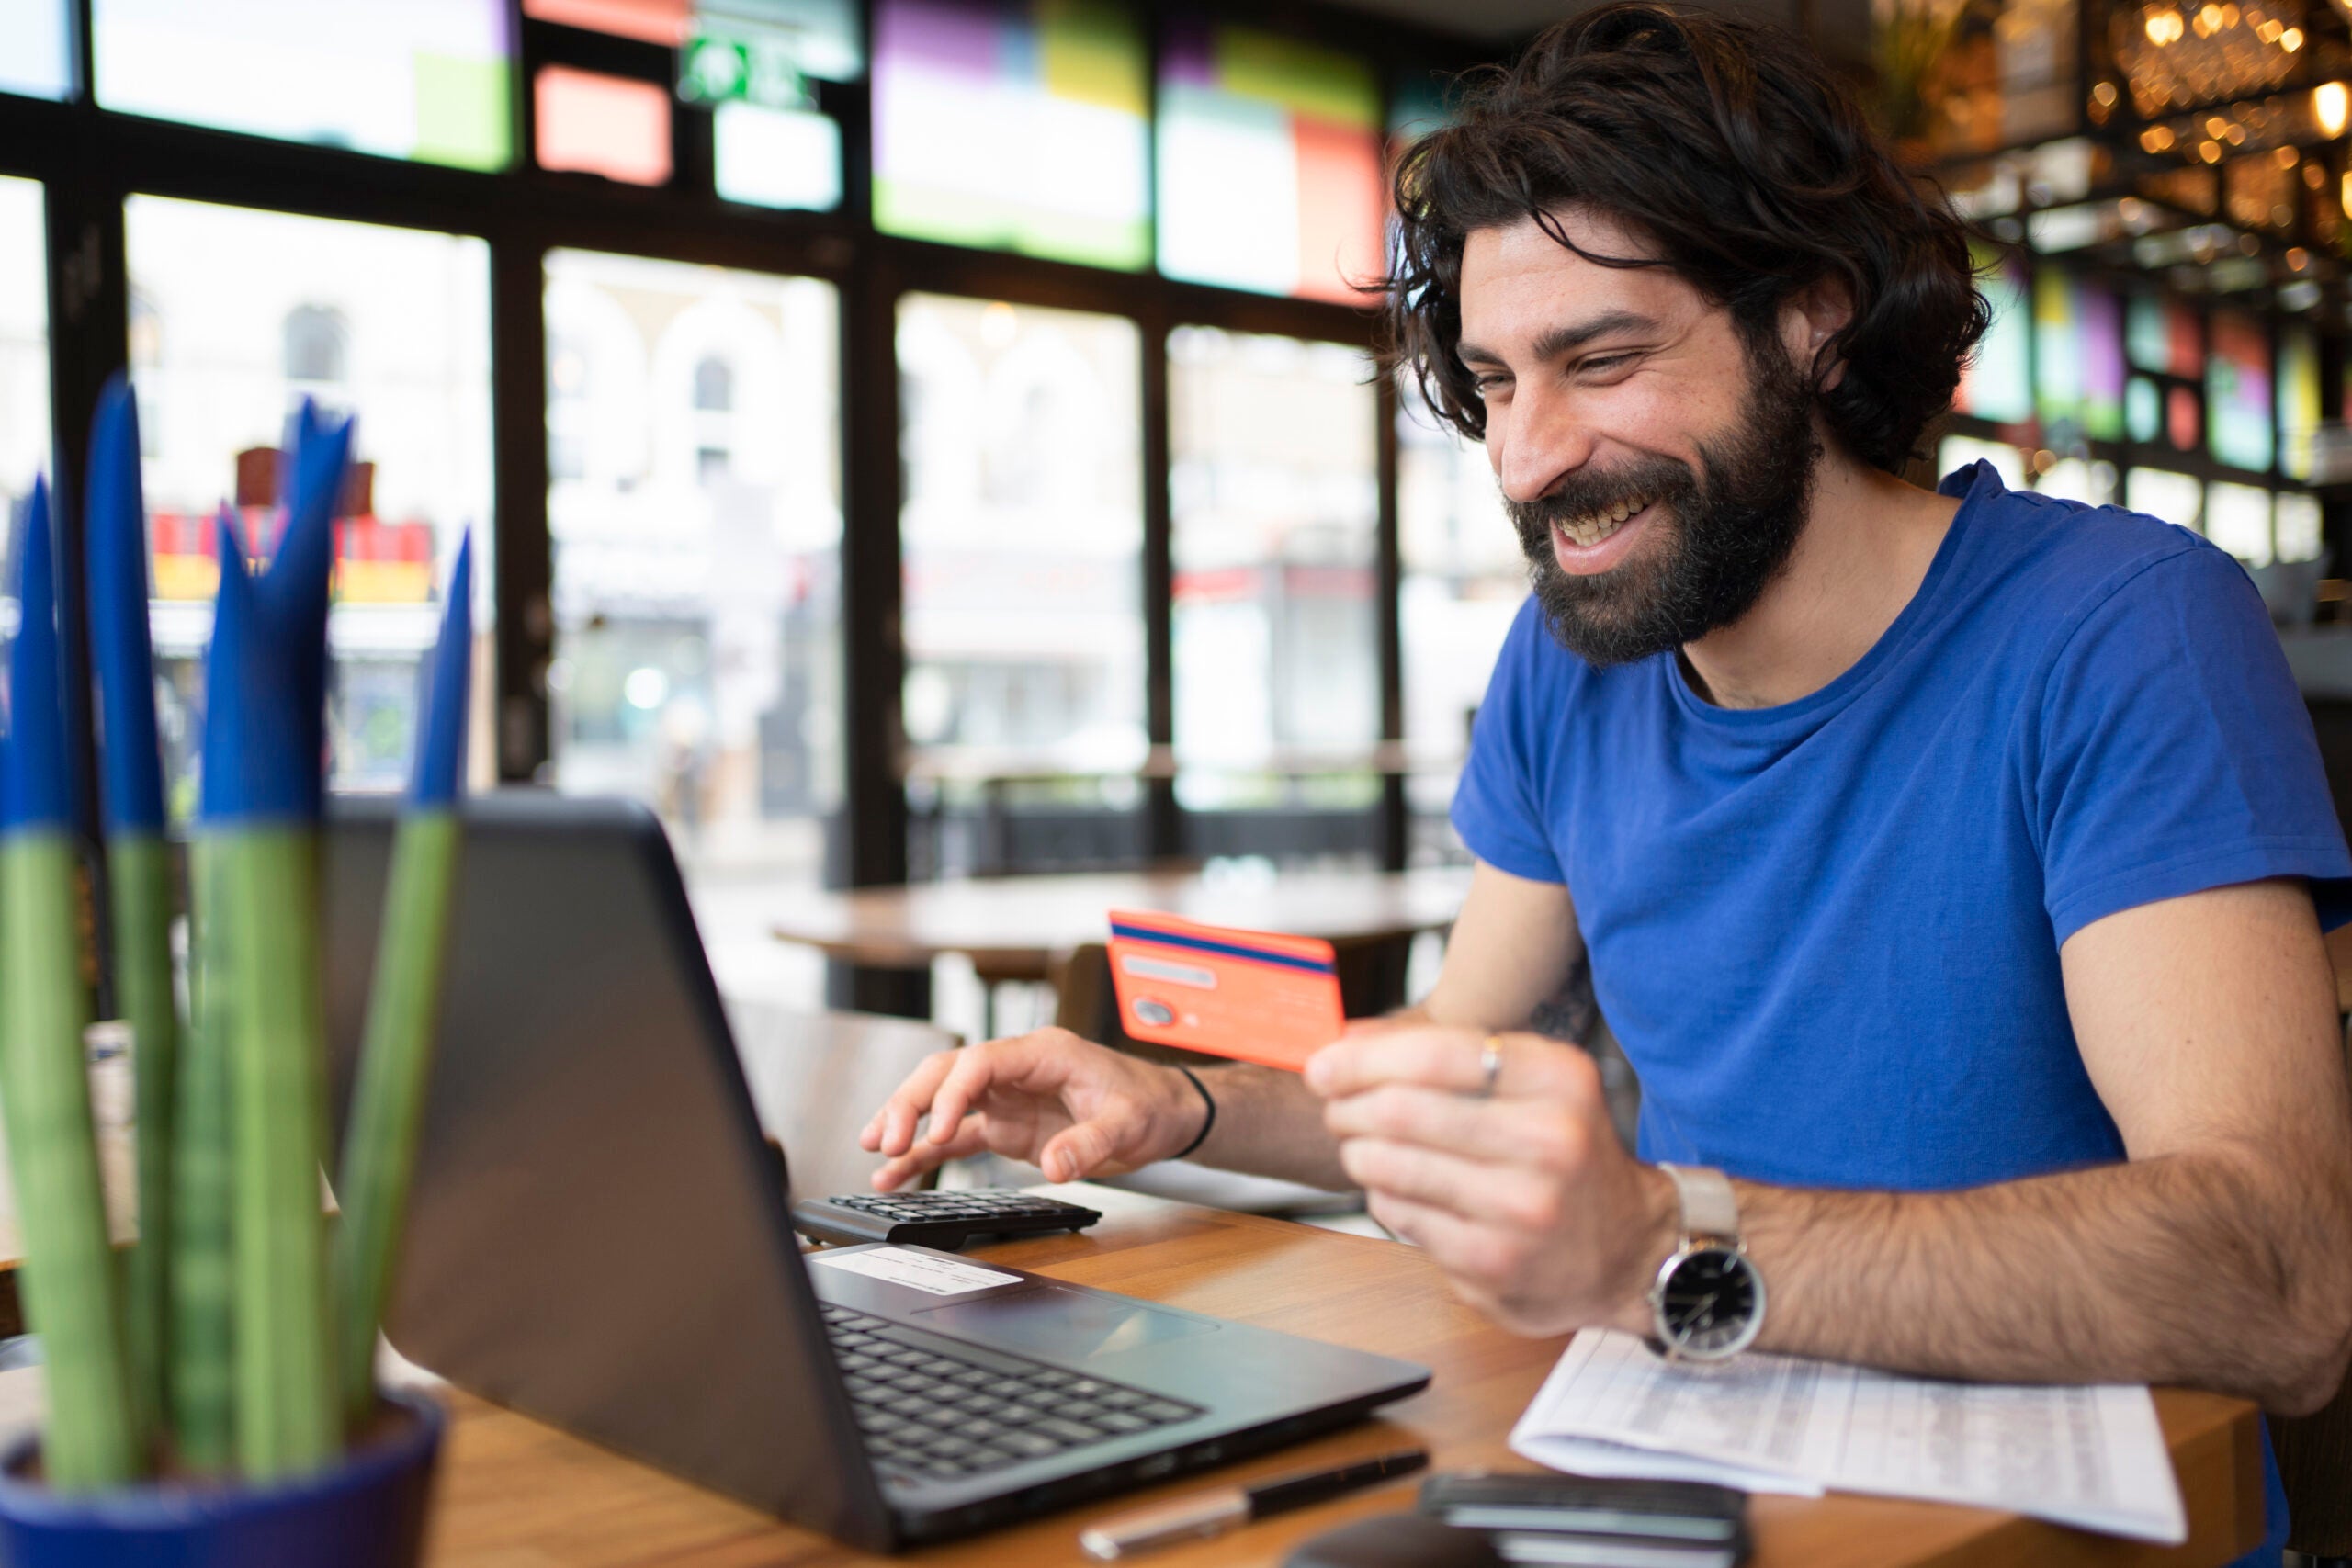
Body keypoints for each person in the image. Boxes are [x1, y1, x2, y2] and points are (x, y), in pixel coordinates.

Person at [861, 6, 2352, 1559]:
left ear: (1814, 323)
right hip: (1696, 1484)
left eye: (1605, 360)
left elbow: (2283, 1277)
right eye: (1497, 381)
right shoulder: (1570, 668)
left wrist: (1658, 1241)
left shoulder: (2121, 628)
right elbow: (1446, 1056)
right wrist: (1173, 1103)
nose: (1525, 459)